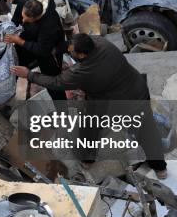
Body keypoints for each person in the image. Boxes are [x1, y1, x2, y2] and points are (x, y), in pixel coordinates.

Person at [10, 33, 168, 179]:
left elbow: (57, 82)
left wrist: (29, 74)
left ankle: (88, 159)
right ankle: (160, 167)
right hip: (136, 88)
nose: (70, 54)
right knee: (146, 130)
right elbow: (74, 45)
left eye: (72, 52)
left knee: (91, 128)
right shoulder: (101, 42)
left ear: (82, 55)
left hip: (117, 102)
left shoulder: (84, 70)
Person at [5, 0, 66, 101]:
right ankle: (4, 95)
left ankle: (62, 111)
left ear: (36, 18)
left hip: (49, 49)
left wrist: (19, 41)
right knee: (13, 65)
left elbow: (43, 50)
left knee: (53, 82)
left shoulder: (50, 25)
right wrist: (9, 30)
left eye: (27, 20)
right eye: (23, 16)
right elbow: (16, 20)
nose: (23, 21)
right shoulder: (25, 0)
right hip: (28, 37)